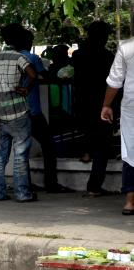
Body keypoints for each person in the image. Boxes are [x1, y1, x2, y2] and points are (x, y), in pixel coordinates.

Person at [0, 24, 38, 203]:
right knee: (20, 155)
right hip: (19, 112)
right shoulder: (20, 57)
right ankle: (22, 193)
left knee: (0, 157)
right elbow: (33, 74)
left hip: (1, 114)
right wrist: (25, 89)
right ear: (20, 40)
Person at [18, 32, 69, 193]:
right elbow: (46, 75)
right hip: (32, 109)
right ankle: (51, 183)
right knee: (49, 145)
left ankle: (24, 183)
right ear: (27, 41)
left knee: (21, 148)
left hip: (16, 110)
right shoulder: (32, 58)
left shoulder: (9, 58)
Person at [78, 21, 117, 198]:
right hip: (103, 103)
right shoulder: (107, 56)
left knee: (87, 134)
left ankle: (85, 152)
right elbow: (115, 82)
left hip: (83, 103)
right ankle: (94, 185)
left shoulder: (79, 55)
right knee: (103, 144)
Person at [102, 36, 134, 214]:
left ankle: (130, 202)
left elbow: (114, 81)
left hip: (131, 104)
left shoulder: (126, 47)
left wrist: (106, 105)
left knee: (130, 150)